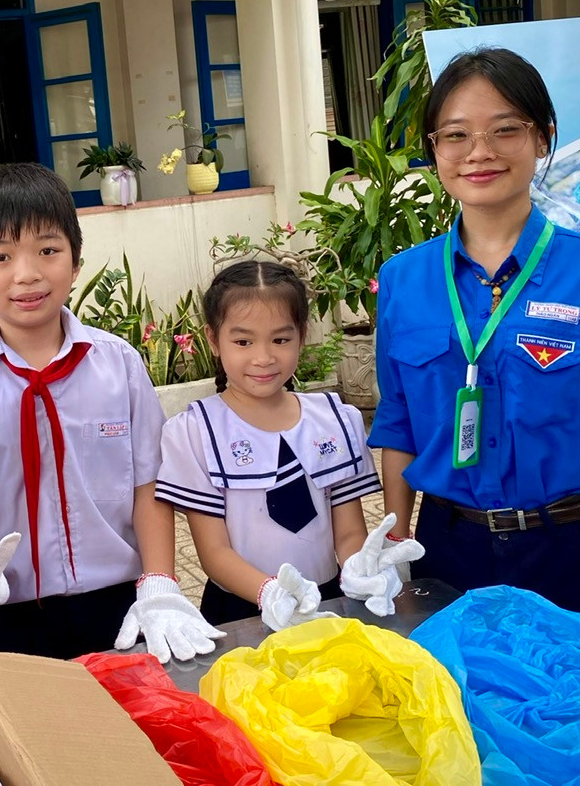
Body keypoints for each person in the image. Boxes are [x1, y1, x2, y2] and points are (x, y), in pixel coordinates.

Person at [370, 46, 580, 644]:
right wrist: (396, 543)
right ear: (433, 148)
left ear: (543, 137)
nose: (479, 152)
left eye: (505, 130)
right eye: (455, 135)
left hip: (567, 550)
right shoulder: (405, 278)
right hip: (446, 550)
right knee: (459, 726)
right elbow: (397, 423)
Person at [0, 163, 223, 662]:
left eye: (47, 250)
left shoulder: (119, 365)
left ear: (76, 261)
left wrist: (160, 581)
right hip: (3, 615)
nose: (27, 273)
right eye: (0, 256)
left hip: (120, 606)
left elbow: (149, 482)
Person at [155, 260, 421, 631]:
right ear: (213, 340)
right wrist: (271, 594)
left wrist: (361, 568)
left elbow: (348, 533)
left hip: (328, 600)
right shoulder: (195, 432)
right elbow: (215, 553)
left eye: (281, 339)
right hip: (241, 609)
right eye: (243, 341)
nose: (263, 357)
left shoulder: (334, 418)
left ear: (302, 334)